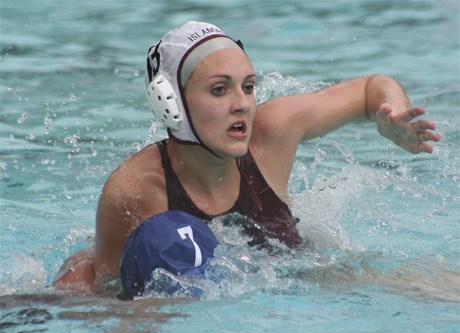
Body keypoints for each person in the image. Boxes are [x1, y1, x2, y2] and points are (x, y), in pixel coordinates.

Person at [53, 21, 440, 295]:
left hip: (307, 278)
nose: (242, 104)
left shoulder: (271, 134)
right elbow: (108, 294)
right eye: (219, 90)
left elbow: (371, 88)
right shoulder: (137, 191)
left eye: (249, 87)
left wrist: (390, 116)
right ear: (170, 102)